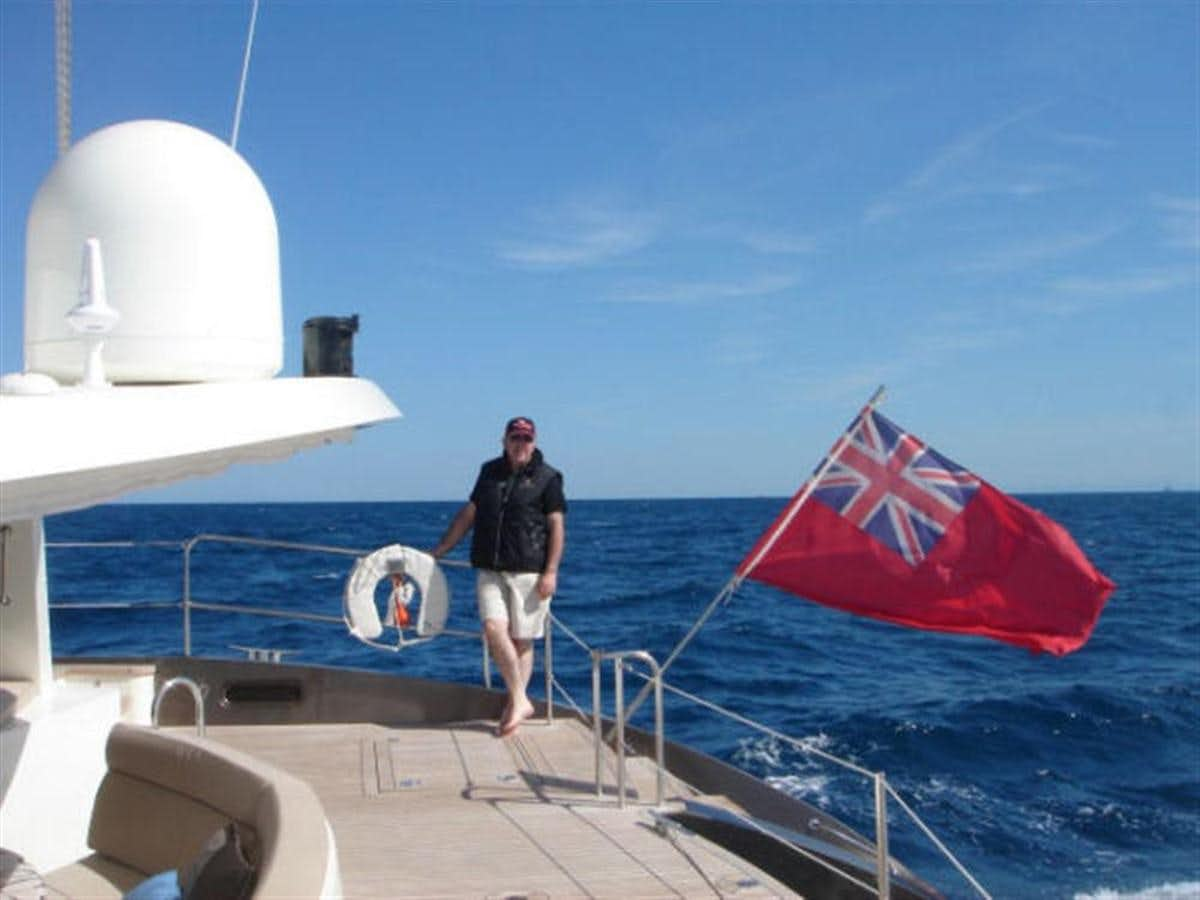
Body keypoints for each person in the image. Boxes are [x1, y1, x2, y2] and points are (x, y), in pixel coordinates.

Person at [431, 416, 566, 738]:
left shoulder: (549, 478)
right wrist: (439, 551)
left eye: (526, 439)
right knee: (494, 629)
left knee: (522, 641)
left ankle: (514, 704)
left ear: (534, 442)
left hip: (529, 571)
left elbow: (557, 526)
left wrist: (551, 572)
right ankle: (521, 699)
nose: (521, 445)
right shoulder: (489, 471)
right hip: (490, 568)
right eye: (515, 438)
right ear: (504, 441)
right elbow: (470, 513)